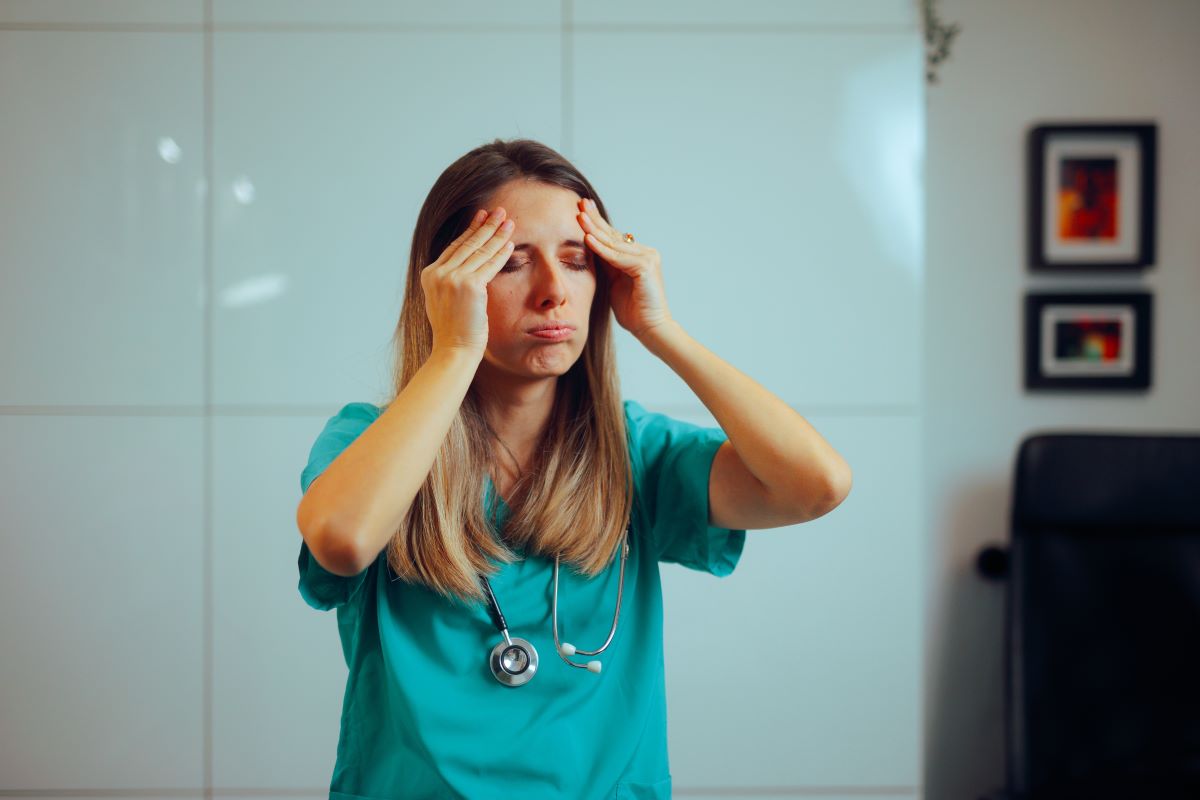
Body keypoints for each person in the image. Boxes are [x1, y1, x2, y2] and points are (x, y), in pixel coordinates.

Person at [294, 137, 853, 799]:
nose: (554, 293)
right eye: (510, 263)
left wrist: (661, 329)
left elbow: (817, 486)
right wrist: (452, 351)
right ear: (449, 286)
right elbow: (342, 539)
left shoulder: (635, 448)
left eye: (578, 260)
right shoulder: (369, 439)